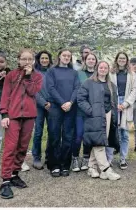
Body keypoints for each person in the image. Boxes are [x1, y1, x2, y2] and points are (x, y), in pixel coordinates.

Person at [0, 49, 43, 199]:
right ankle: (5, 181)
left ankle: (14, 174)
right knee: (10, 148)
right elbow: (5, 95)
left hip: (29, 116)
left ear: (33, 61)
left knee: (23, 147)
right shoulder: (11, 75)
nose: (27, 62)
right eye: (24, 59)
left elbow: (32, 91)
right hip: (13, 116)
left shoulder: (37, 76)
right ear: (18, 60)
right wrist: (4, 114)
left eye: (30, 59)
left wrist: (29, 76)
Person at [77, 61, 121, 180]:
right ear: (97, 68)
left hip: (108, 115)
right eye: (101, 67)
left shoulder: (111, 85)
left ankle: (91, 167)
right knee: (99, 142)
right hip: (94, 116)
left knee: (100, 140)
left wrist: (114, 117)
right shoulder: (88, 83)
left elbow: (114, 102)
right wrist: (90, 111)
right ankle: (106, 169)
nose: (103, 69)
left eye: (105, 67)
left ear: (108, 70)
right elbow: (80, 99)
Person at [46, 49, 80, 177]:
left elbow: (77, 88)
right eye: (64, 55)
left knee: (68, 137)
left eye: (68, 56)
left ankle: (65, 165)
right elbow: (51, 88)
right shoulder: (52, 71)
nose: (66, 57)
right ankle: (54, 165)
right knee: (54, 136)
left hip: (70, 108)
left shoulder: (74, 73)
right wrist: (62, 103)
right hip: (55, 107)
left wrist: (70, 102)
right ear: (59, 57)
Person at [109, 52, 136, 170]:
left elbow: (134, 90)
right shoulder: (110, 73)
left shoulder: (132, 74)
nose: (121, 60)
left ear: (127, 61)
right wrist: (114, 104)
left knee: (124, 134)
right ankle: (109, 159)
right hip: (112, 104)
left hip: (125, 104)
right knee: (111, 132)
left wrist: (125, 104)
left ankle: (123, 159)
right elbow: (107, 88)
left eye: (124, 58)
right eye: (120, 58)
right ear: (116, 59)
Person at [71, 52, 98, 172]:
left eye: (93, 59)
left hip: (93, 110)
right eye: (89, 59)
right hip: (80, 109)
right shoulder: (79, 74)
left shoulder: (99, 74)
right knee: (79, 135)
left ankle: (86, 158)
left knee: (88, 135)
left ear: (96, 61)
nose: (91, 61)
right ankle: (75, 157)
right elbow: (76, 90)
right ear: (84, 60)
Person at [32, 50, 53, 170]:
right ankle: (36, 157)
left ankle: (49, 156)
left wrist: (51, 103)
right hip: (38, 106)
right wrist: (44, 103)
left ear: (49, 59)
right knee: (38, 132)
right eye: (42, 58)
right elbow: (34, 91)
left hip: (51, 105)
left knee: (52, 132)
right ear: (38, 59)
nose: (44, 60)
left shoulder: (52, 72)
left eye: (46, 58)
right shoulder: (34, 72)